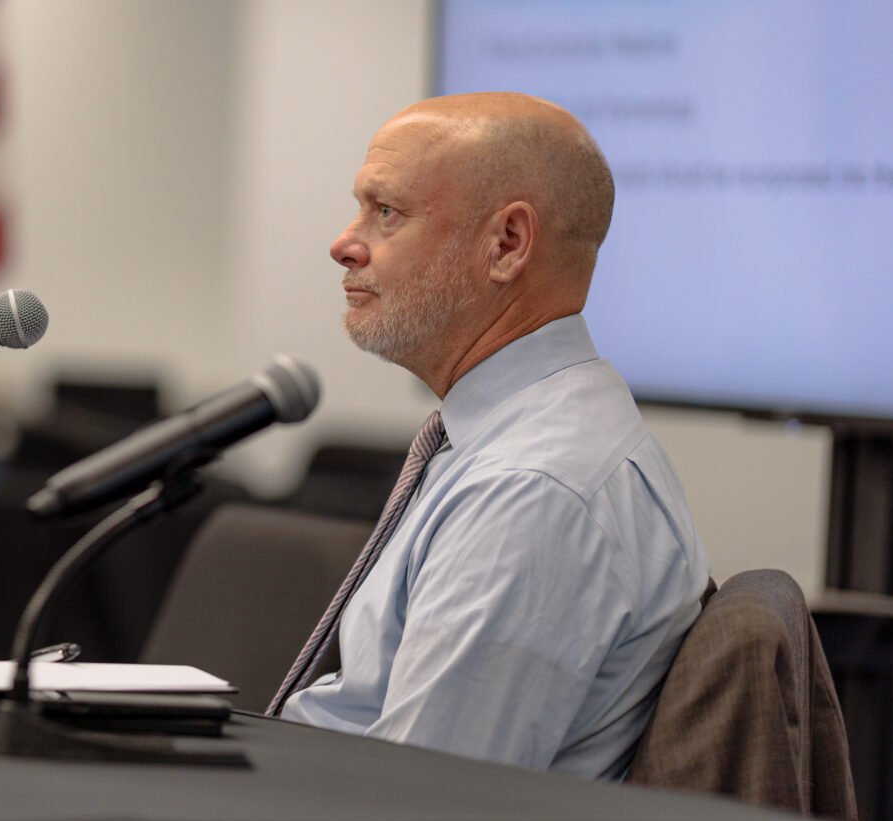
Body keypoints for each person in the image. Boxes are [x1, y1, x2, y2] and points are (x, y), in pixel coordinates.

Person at [272, 92, 709, 781]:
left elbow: (415, 814)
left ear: (507, 244)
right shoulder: (502, 436)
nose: (344, 242)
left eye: (386, 212)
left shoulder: (532, 491)